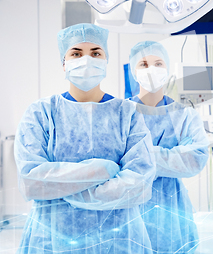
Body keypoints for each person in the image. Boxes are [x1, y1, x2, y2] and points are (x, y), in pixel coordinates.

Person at [14, 24, 156, 254]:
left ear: (105, 61)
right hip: (52, 241)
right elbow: (32, 181)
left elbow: (139, 183)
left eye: (96, 53)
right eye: (76, 53)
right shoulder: (41, 113)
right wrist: (104, 170)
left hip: (119, 240)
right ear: (64, 63)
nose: (87, 60)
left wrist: (66, 188)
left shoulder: (128, 113)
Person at [128, 41, 209, 254]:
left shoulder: (184, 115)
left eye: (158, 63)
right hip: (127, 213)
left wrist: (140, 156)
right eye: (143, 64)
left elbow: (195, 158)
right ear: (133, 72)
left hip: (172, 215)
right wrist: (169, 157)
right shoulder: (120, 113)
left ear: (168, 69)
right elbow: (111, 159)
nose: (151, 70)